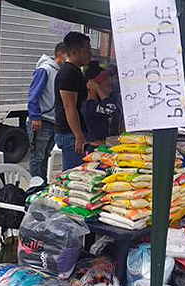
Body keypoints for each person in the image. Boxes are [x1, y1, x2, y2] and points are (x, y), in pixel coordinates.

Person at [26, 42, 66, 181]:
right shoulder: (45, 69)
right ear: (60, 55)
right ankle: (35, 186)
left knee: (44, 156)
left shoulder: (58, 71)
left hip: (51, 120)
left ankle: (41, 184)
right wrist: (35, 117)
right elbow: (33, 95)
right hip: (41, 120)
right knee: (38, 157)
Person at [54, 31, 92, 171]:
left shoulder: (75, 71)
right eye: (87, 50)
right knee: (73, 176)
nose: (90, 54)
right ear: (75, 52)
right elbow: (69, 106)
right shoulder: (67, 73)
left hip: (75, 133)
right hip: (70, 135)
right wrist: (79, 136)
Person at [80, 62, 120, 146]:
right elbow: (111, 109)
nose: (110, 89)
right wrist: (97, 89)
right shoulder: (88, 106)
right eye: (107, 85)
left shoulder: (111, 99)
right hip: (96, 147)